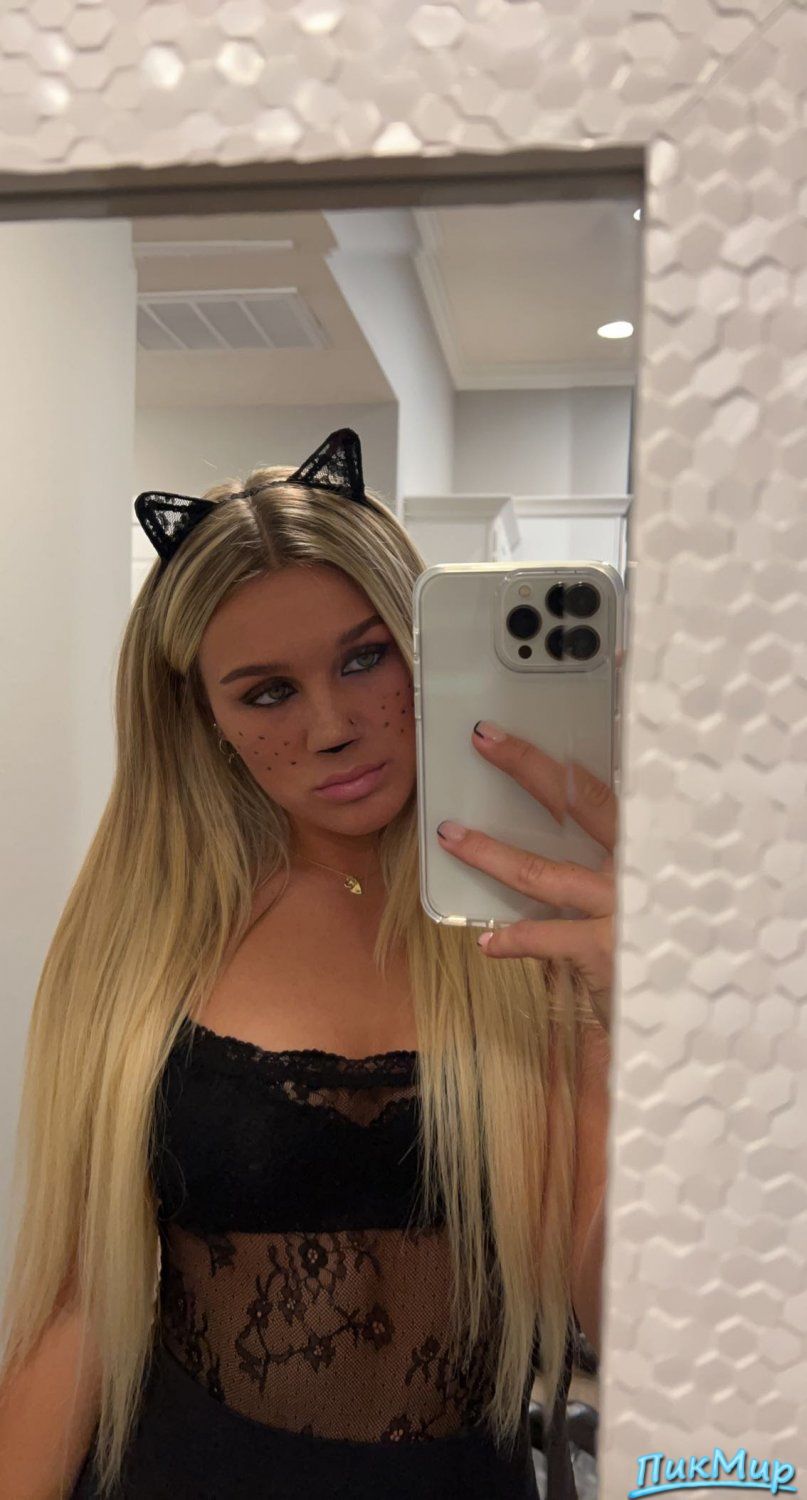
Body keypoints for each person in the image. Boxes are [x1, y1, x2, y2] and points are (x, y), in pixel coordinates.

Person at [0, 429, 613, 1499]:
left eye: (366, 659)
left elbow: (615, 1312)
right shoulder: (143, 945)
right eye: (266, 692)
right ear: (204, 718)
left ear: (427, 647)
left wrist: (648, 1030)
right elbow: (75, 1314)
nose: (332, 727)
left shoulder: (535, 932)